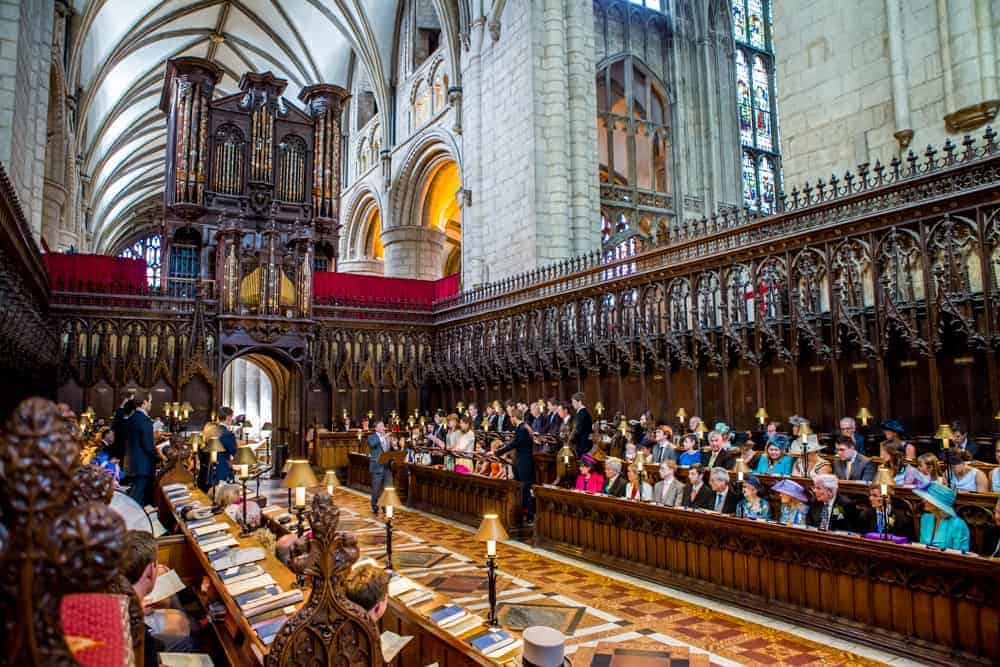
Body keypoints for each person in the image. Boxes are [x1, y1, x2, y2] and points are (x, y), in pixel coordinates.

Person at [121, 530, 196, 658]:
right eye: (156, 563)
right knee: (188, 641)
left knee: (164, 571)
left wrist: (136, 606)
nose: (158, 566)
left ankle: (193, 615)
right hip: (142, 647)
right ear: (151, 570)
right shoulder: (144, 638)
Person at [494, 407, 536, 524]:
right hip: (520, 461)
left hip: (524, 462)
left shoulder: (522, 428)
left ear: (514, 417)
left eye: (511, 417)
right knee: (520, 488)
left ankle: (530, 515)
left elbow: (515, 443)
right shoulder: (522, 428)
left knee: (525, 488)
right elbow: (514, 442)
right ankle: (523, 512)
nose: (510, 420)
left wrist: (499, 452)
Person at [915, 481, 970, 551]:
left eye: (928, 498)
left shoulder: (958, 524)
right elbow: (921, 547)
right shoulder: (925, 518)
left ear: (939, 503)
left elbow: (960, 554)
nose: (924, 501)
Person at [126, 395, 157, 506]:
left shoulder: (131, 418)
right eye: (150, 402)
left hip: (133, 463)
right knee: (139, 497)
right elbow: (148, 446)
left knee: (137, 494)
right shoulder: (145, 420)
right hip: (144, 465)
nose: (151, 404)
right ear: (144, 402)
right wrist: (158, 457)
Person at [368, 421, 393, 514]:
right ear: (376, 428)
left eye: (383, 425)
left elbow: (388, 450)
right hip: (377, 466)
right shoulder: (371, 437)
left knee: (387, 488)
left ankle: (385, 505)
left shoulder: (387, 437)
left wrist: (393, 444)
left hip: (387, 466)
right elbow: (372, 444)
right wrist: (383, 437)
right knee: (376, 489)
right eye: (381, 426)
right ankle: (374, 505)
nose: (383, 427)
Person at [213, 406, 239, 485]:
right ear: (228, 417)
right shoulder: (228, 434)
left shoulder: (211, 431)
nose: (232, 420)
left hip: (210, 471)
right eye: (232, 417)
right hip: (223, 471)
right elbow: (236, 454)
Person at [111, 396, 135, 462]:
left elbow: (118, 413)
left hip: (115, 450)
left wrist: (123, 404)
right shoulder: (131, 423)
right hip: (125, 452)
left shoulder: (118, 420)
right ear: (132, 411)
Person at [570, 392, 593, 458]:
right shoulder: (582, 413)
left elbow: (578, 430)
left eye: (574, 402)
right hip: (582, 444)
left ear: (579, 402)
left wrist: (570, 440)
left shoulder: (582, 413)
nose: (572, 404)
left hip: (583, 445)